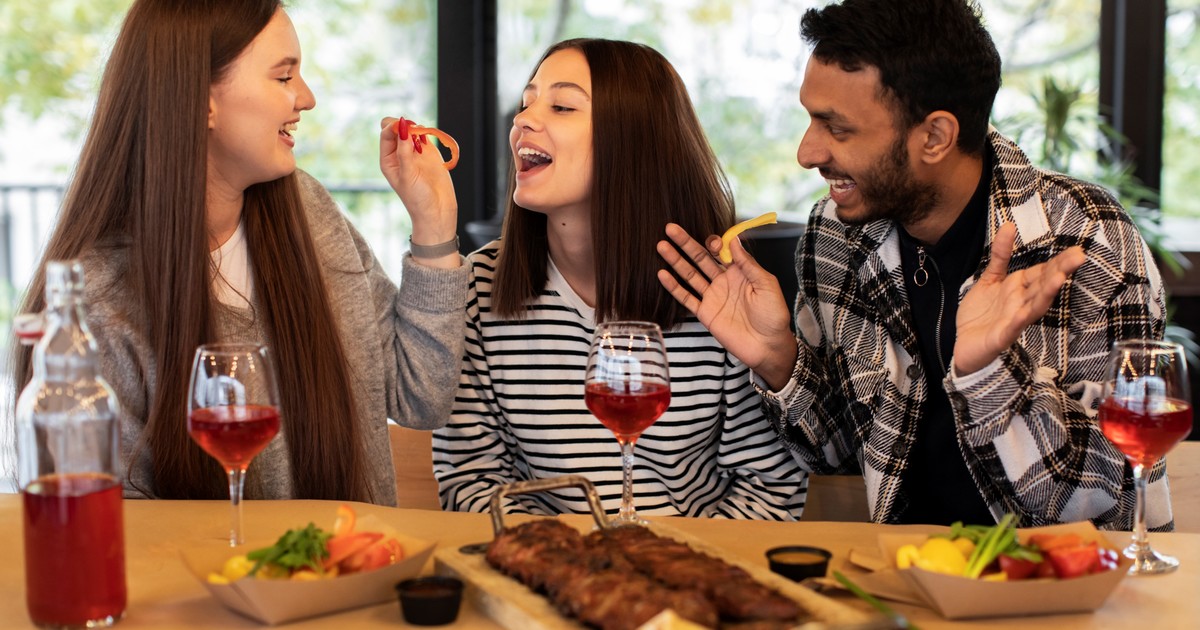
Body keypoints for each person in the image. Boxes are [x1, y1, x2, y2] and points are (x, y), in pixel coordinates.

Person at [658, 0, 1171, 529]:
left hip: (1067, 577)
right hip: (904, 571)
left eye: (837, 128)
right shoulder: (834, 235)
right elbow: (833, 455)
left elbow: (1113, 498)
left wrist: (988, 375)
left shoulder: (1086, 237)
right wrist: (777, 360)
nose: (806, 153)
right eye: (810, 119)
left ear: (935, 137)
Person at [9, 0, 468, 505]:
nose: (307, 98)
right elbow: (110, 522)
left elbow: (422, 396)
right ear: (202, 100)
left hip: (360, 556)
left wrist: (434, 224)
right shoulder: (99, 303)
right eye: (284, 76)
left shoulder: (311, 214)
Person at [432, 39, 808, 520]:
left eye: (562, 106)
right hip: (545, 561)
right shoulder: (477, 286)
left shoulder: (718, 292)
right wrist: (567, 560)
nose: (522, 119)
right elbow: (471, 480)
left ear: (633, 141)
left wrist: (673, 563)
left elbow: (769, 487)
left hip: (692, 562)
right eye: (527, 102)